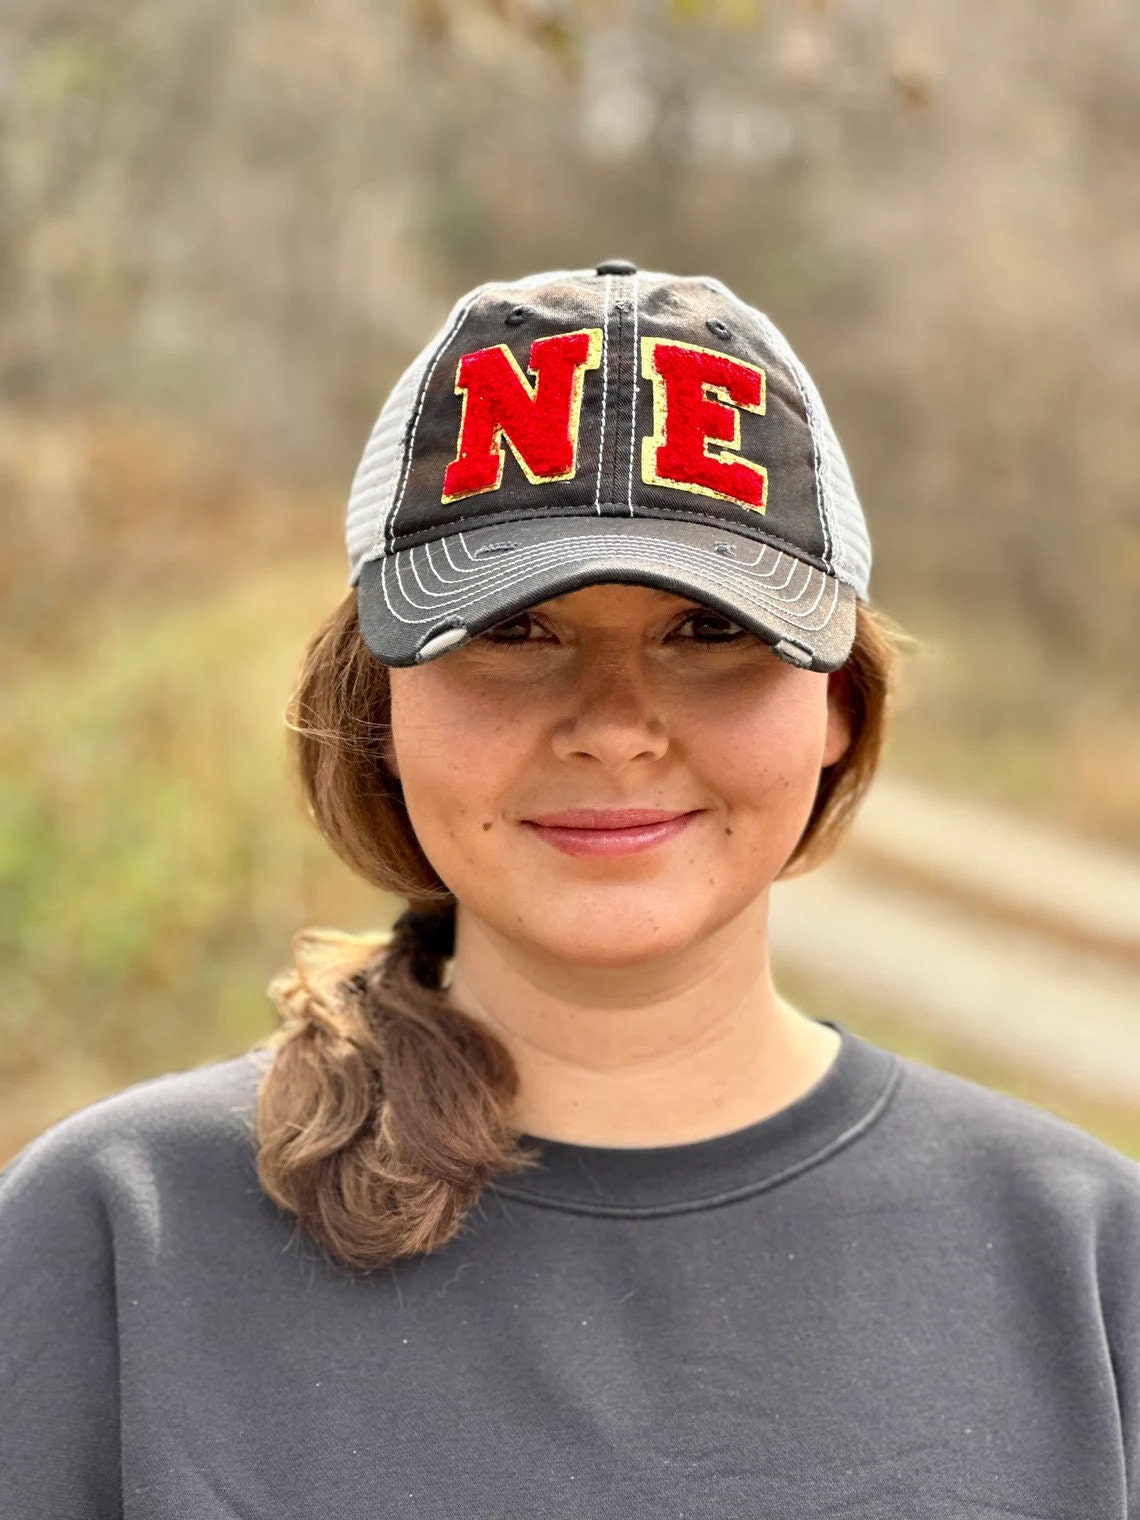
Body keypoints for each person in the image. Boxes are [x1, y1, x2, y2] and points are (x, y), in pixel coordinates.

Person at [1, 261, 1136, 1519]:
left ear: (837, 703)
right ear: (378, 703)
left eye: (709, 633)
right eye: (516, 629)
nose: (614, 727)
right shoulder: (119, 1239)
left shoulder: (1087, 1265)